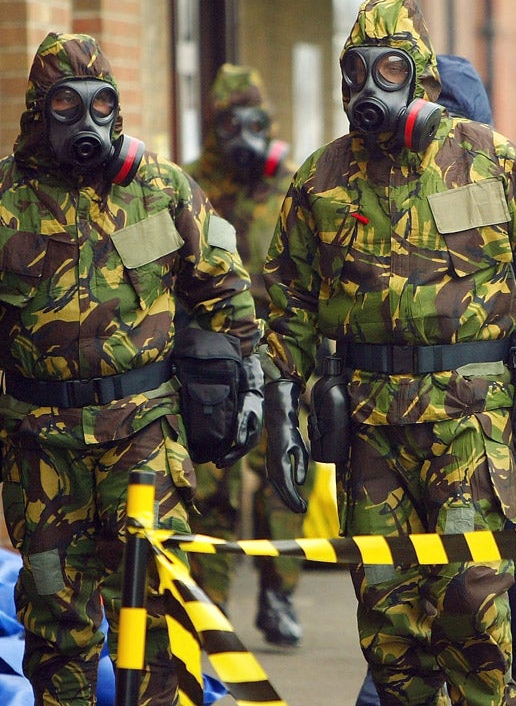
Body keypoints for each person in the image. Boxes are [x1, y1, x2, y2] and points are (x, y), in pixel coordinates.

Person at [261, 0, 516, 706]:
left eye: (386, 70)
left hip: (471, 427)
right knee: (390, 629)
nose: (367, 88)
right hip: (369, 435)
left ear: (418, 75)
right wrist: (277, 410)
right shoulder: (320, 181)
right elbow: (285, 305)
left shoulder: (486, 160)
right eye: (354, 71)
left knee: (474, 616)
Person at [0, 32, 262, 706]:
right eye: (66, 104)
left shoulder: (162, 188)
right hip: (41, 444)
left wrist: (249, 383)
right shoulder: (4, 199)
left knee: (157, 605)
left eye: (101, 103)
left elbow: (225, 289)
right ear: (39, 111)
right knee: (55, 615)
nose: (86, 120)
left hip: (145, 435)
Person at [183, 63, 311, 647]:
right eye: (230, 123)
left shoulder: (293, 188)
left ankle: (279, 594)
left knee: (285, 480)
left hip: (279, 350)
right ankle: (210, 612)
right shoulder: (185, 186)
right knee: (214, 484)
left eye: (253, 121)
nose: (243, 133)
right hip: (212, 358)